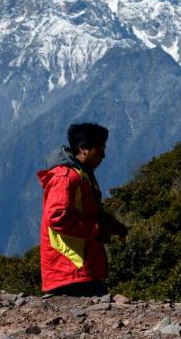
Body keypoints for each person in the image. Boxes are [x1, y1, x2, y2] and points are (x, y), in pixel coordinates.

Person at [38, 123, 128, 296]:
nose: (103, 155)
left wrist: (112, 224)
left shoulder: (82, 174)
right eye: (99, 149)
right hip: (69, 270)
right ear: (83, 149)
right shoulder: (66, 177)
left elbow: (88, 210)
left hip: (81, 268)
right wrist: (97, 230)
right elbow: (58, 217)